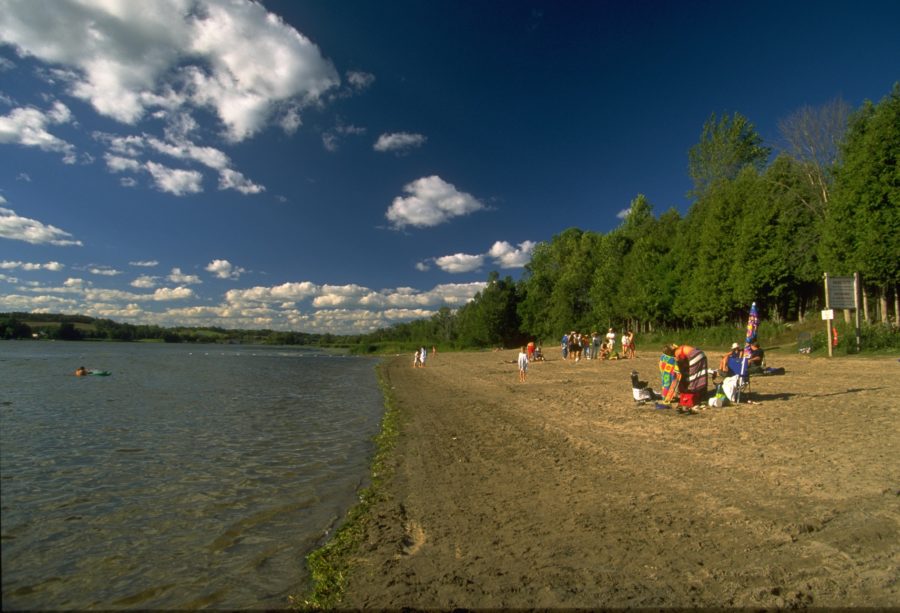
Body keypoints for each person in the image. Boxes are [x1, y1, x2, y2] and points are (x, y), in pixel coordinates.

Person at [673, 343, 709, 411]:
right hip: (701, 354)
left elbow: (680, 364)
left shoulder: (677, 352)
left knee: (693, 378)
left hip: (694, 356)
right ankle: (702, 395)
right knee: (701, 376)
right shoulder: (684, 348)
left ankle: (693, 395)